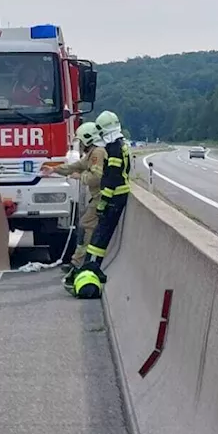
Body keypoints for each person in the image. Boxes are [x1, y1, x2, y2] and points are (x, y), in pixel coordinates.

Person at [71, 110, 131, 298]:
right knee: (99, 234)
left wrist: (104, 201)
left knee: (100, 234)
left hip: (114, 197)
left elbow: (111, 178)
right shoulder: (121, 145)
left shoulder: (112, 148)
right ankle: (91, 265)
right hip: (120, 194)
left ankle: (92, 267)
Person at [42, 121, 106, 273]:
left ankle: (79, 263)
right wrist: (54, 170)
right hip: (98, 197)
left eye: (81, 141)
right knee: (84, 225)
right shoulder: (91, 154)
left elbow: (96, 177)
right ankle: (78, 261)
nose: (81, 144)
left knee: (85, 226)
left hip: (101, 197)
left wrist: (80, 176)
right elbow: (74, 166)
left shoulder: (98, 153)